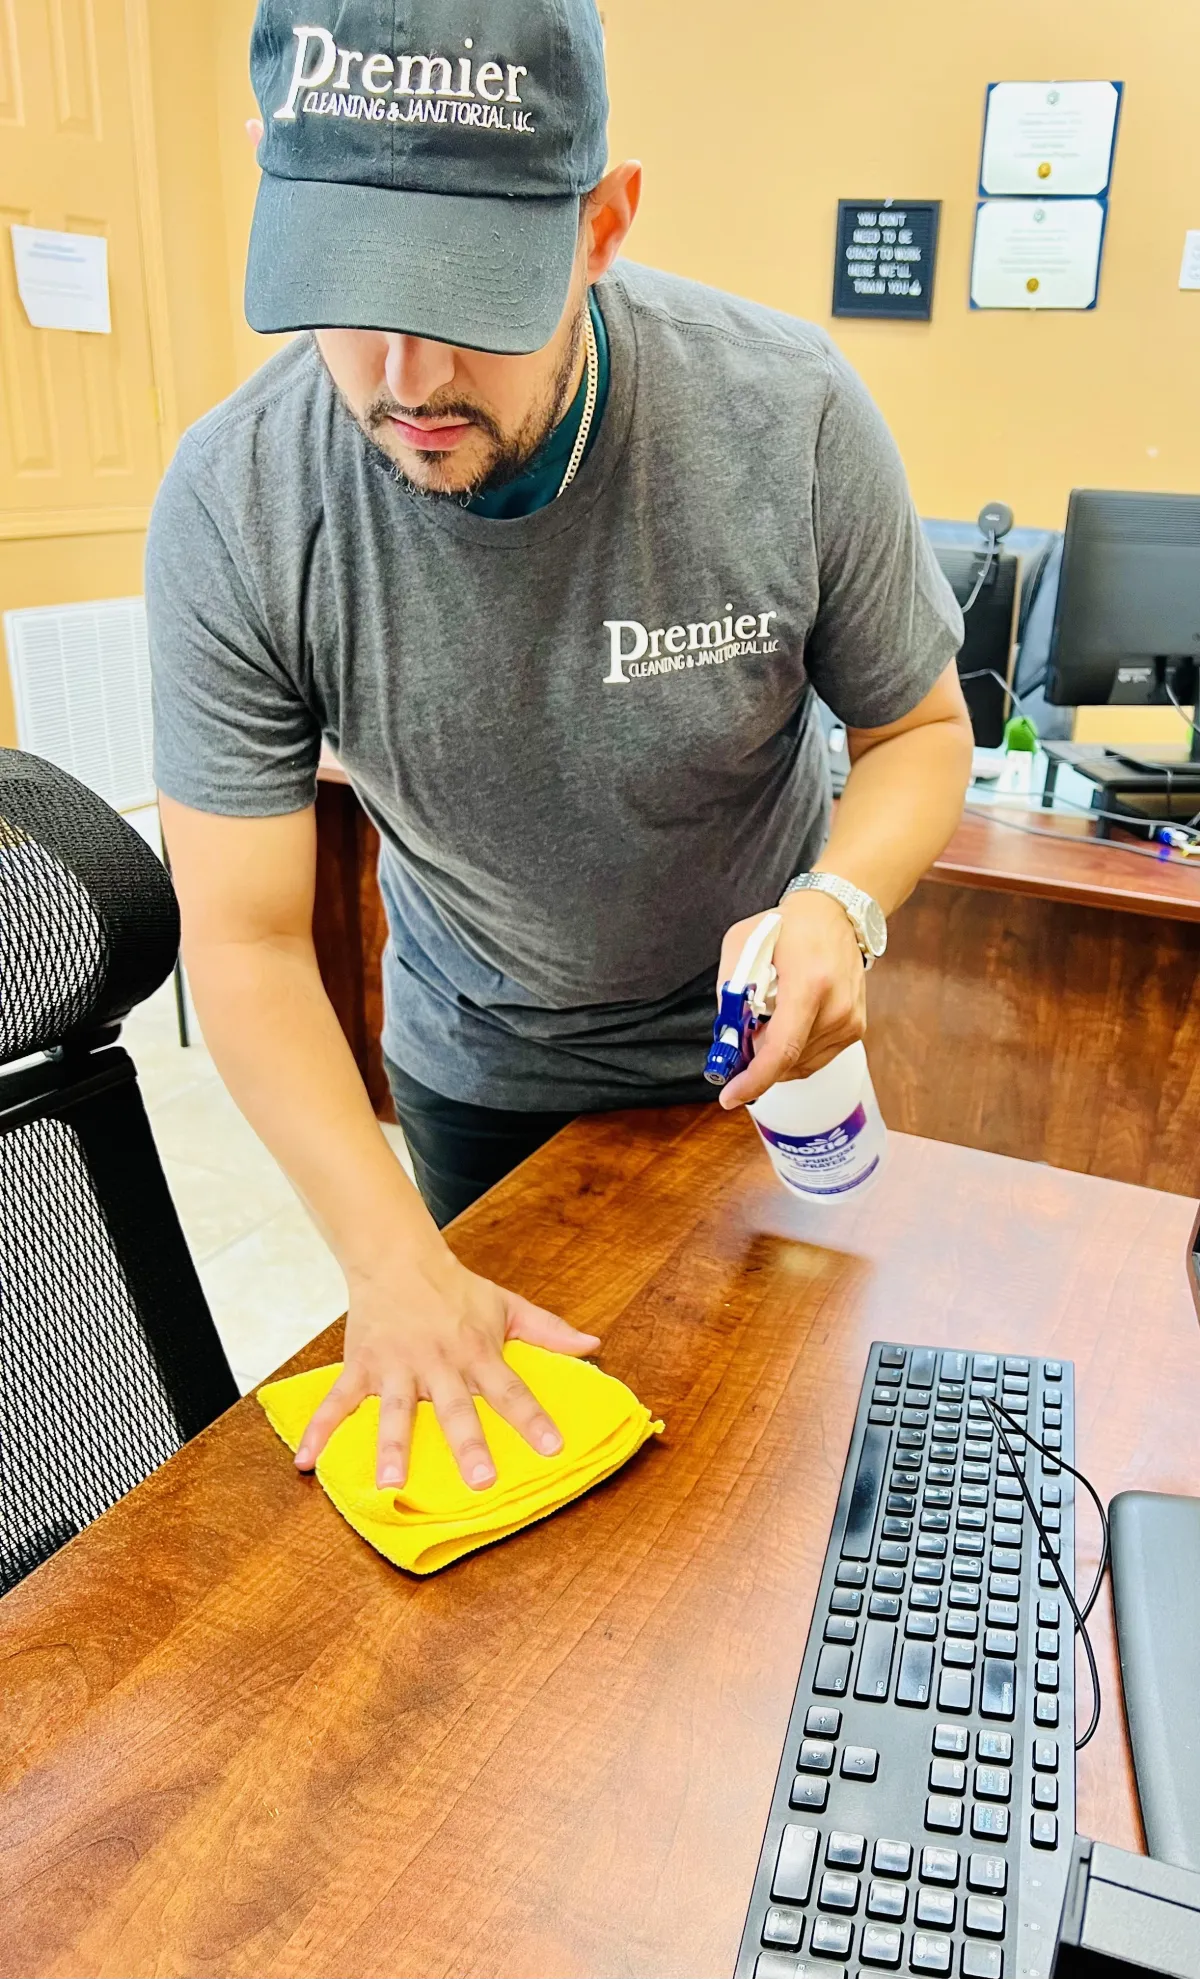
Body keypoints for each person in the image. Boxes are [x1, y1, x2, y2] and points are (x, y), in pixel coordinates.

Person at [148, 0, 972, 1500]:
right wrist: (387, 1260)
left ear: (603, 225)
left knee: (785, 1458)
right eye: (345, 291)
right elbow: (251, 939)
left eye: (464, 295)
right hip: (481, 1070)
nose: (400, 378)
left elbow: (916, 730)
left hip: (760, 1053)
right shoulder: (237, 504)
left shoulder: (784, 415)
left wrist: (841, 903)